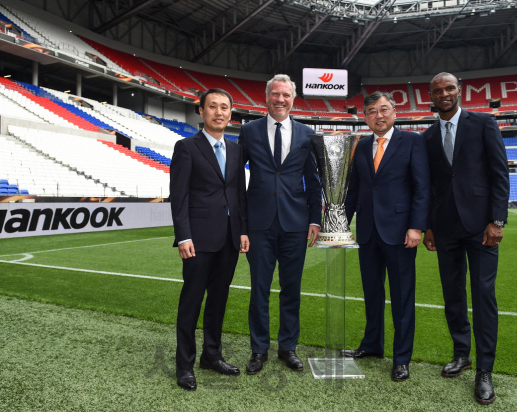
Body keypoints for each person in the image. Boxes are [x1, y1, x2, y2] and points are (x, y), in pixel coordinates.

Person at [422, 72, 509, 405]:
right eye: (438, 91)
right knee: (452, 294)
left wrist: (497, 220)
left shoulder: (483, 123)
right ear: (431, 96)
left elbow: (500, 173)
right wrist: (429, 225)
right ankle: (462, 353)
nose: (444, 94)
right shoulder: (428, 137)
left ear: (459, 91)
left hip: (481, 226)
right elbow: (429, 186)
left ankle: (485, 370)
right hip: (445, 228)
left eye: (449, 88)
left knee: (483, 294)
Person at [342, 91, 430, 382]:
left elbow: (421, 187)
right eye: (371, 111)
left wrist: (417, 226)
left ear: (394, 112)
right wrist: (341, 224)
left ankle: (401, 358)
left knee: (402, 296)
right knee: (372, 292)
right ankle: (372, 345)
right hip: (368, 232)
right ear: (365, 117)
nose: (378, 116)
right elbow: (354, 189)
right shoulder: (362, 144)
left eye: (383, 110)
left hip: (400, 232)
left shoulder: (413, 141)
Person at [238, 74, 322, 374]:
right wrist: (242, 225)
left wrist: (315, 218)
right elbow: (236, 179)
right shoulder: (248, 131)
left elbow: (313, 180)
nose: (281, 100)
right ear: (267, 97)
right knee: (259, 289)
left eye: (286, 95)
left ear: (293, 99)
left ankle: (288, 347)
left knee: (291, 289)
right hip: (259, 224)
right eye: (276, 94)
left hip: (295, 224)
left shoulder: (306, 134)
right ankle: (258, 349)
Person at [170, 88, 250, 391]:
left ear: (231, 114)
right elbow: (178, 197)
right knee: (191, 301)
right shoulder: (186, 147)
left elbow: (238, 194)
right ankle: (185, 365)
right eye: (213, 106)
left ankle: (212, 355)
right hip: (198, 239)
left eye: (225, 107)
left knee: (218, 300)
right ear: (201, 111)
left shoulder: (236, 150)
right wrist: (183, 236)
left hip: (229, 238)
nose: (219, 112)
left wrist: (242, 230)